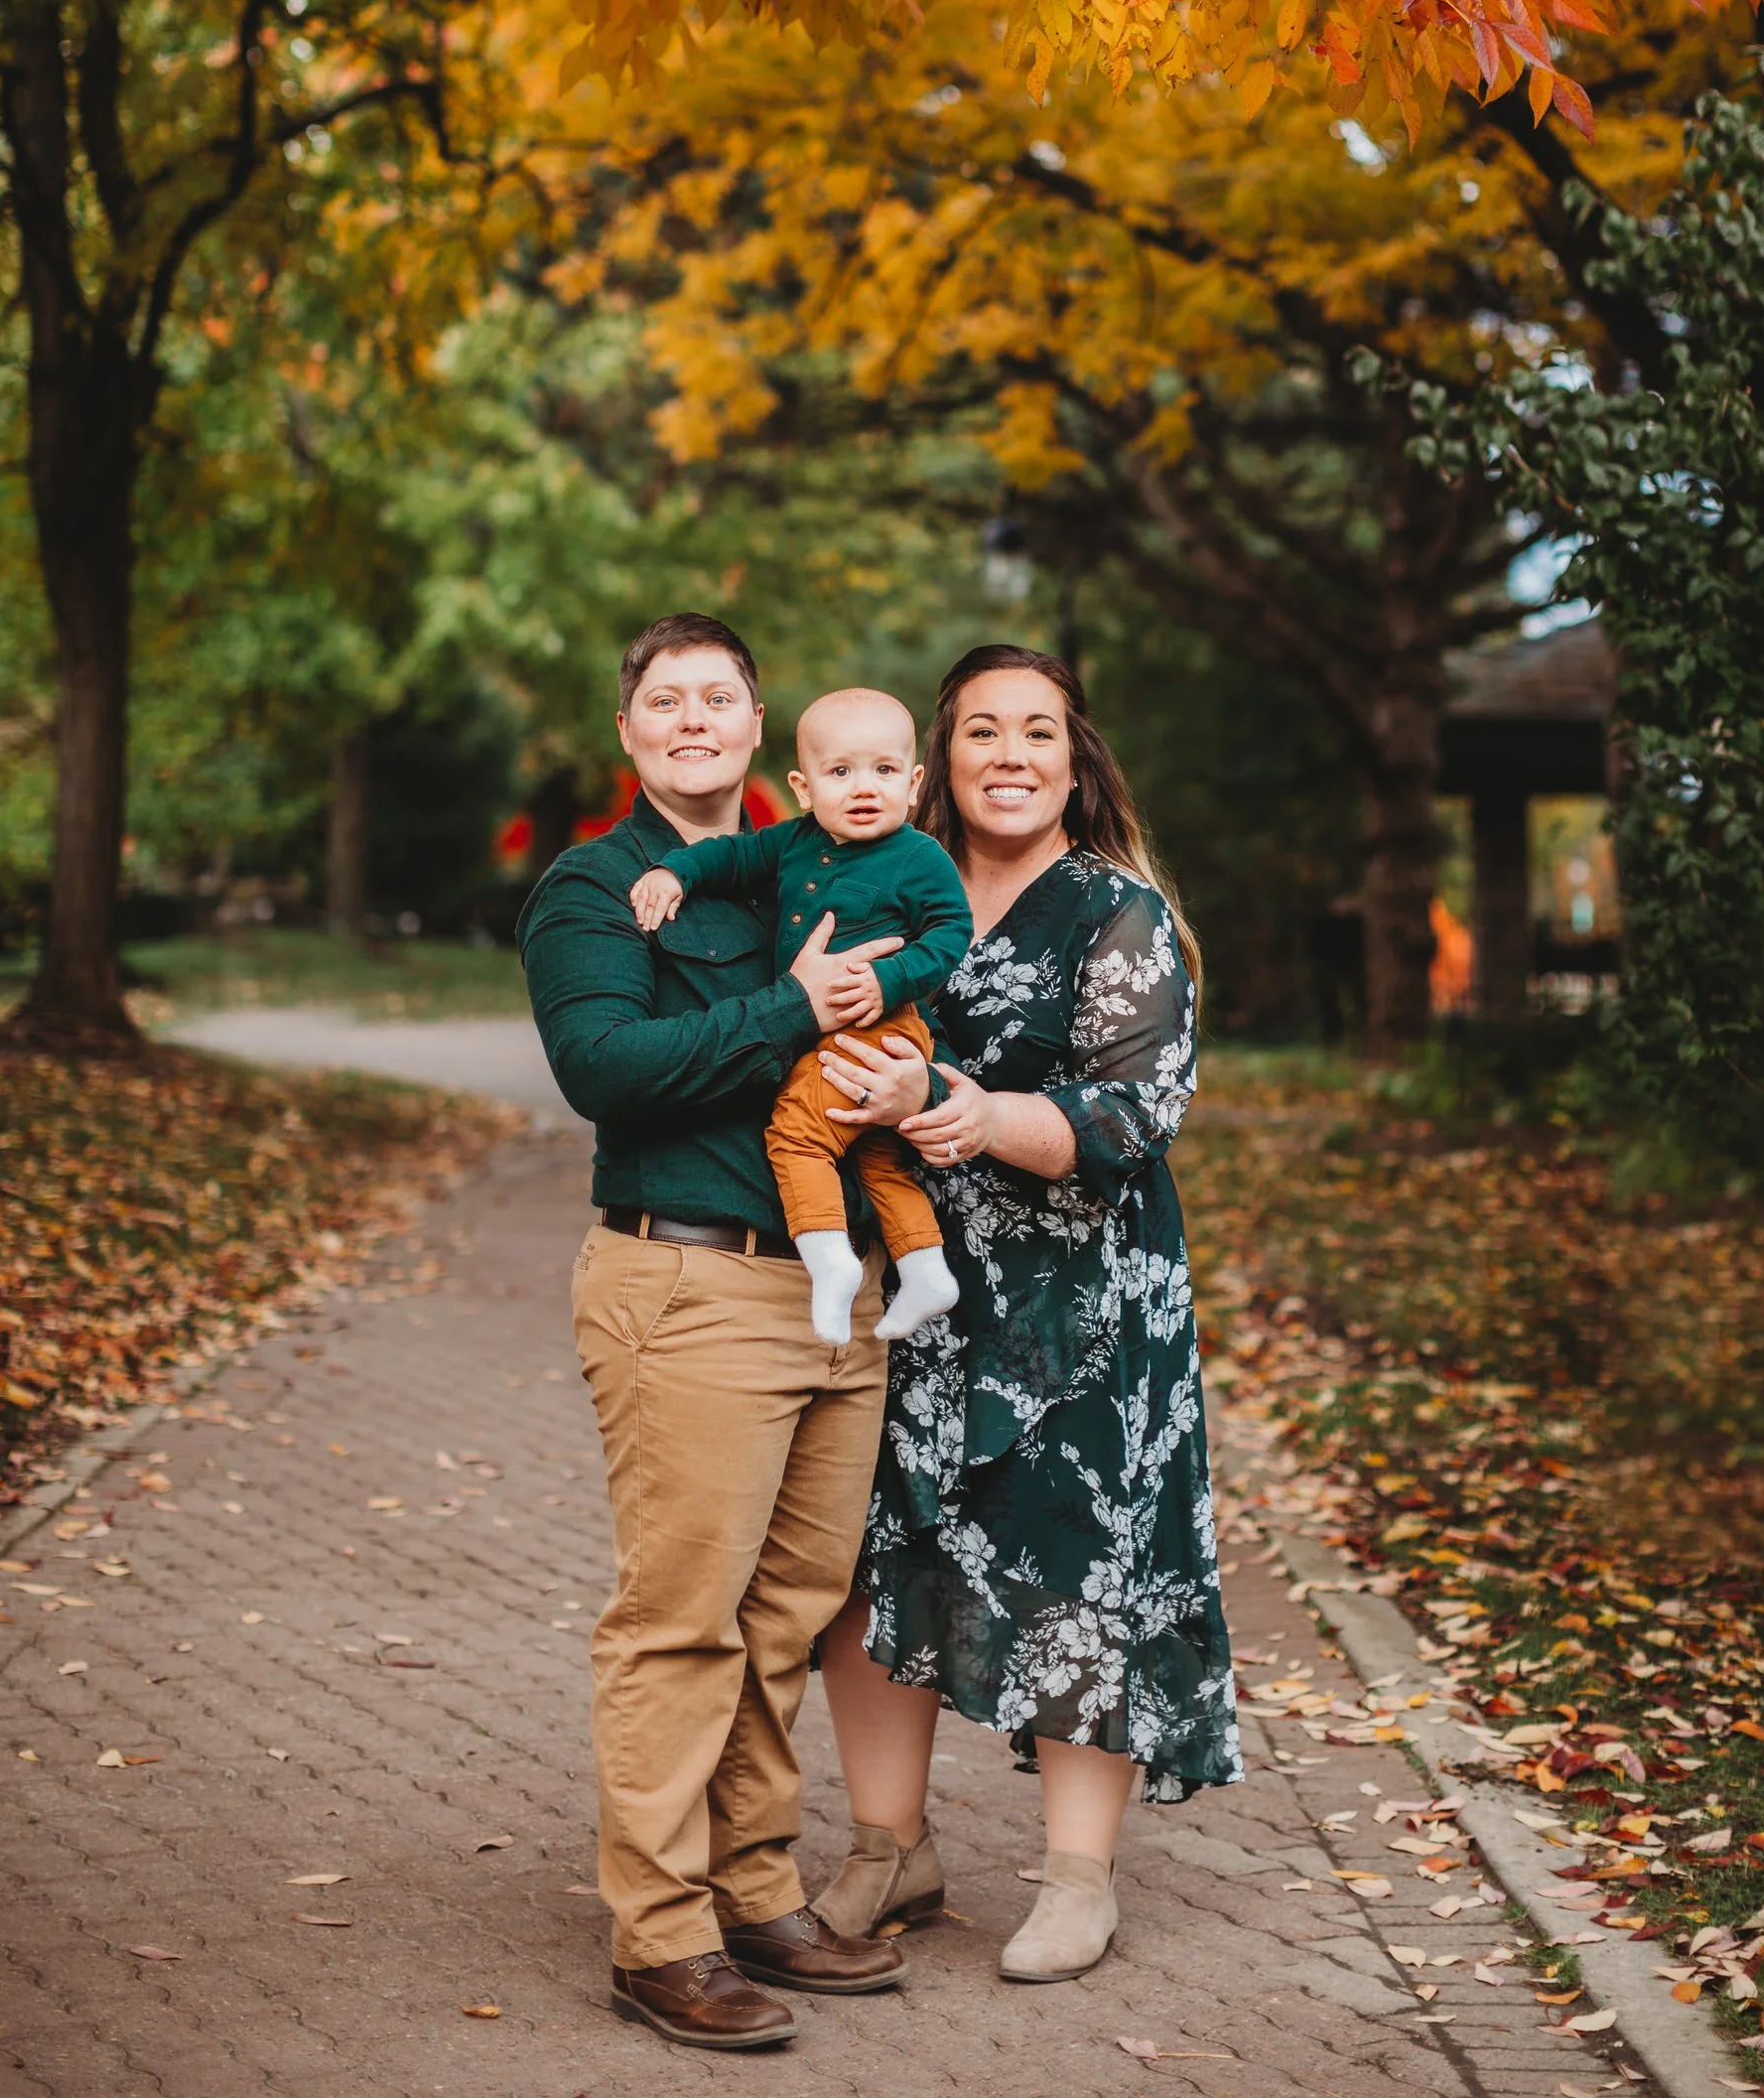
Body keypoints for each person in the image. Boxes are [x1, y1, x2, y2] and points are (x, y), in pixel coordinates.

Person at [810, 644, 1243, 1984]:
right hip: (916, 1292)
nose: (1007, 753)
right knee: (871, 1563)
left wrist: (971, 1114)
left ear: (1073, 759)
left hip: (1084, 1309)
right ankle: (890, 1850)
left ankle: (1075, 1881)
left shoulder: (1114, 912)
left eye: (1035, 731)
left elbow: (1132, 1115)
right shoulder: (893, 889)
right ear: (939, 757)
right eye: (979, 730)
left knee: (1075, 1573)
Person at [518, 615, 908, 2053]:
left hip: (833, 1291)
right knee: (678, 1628)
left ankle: (756, 1893)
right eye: (664, 700)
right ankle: (659, 1936)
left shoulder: (820, 861)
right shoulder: (593, 887)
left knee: (786, 1620)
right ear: (629, 732)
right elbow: (605, 1070)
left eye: (718, 697)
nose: (693, 719)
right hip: (683, 1286)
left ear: (759, 725)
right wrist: (787, 1002)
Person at [629, 685, 971, 1345]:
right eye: (840, 772)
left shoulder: (919, 857)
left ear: (914, 782)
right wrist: (675, 874)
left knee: (795, 1136)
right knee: (875, 1159)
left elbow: (950, 931)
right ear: (803, 786)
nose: (863, 787)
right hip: (824, 1032)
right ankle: (927, 1269)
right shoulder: (793, 843)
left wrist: (888, 976)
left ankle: (829, 1263)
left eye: (883, 770)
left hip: (876, 1025)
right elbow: (728, 856)